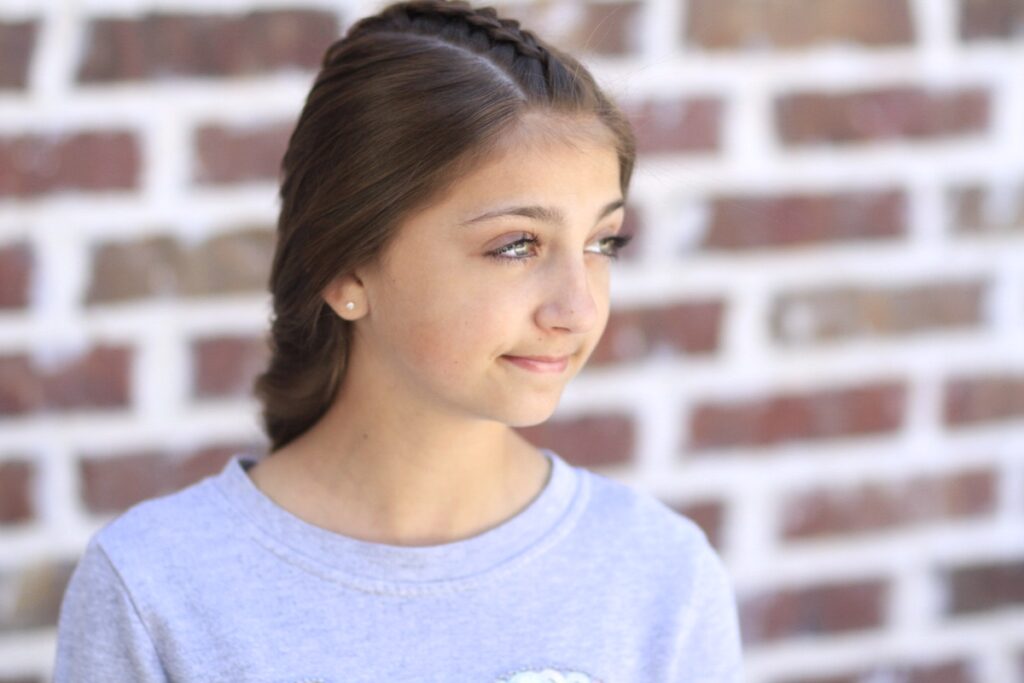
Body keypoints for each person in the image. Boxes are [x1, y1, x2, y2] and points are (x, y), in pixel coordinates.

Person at [52, 0, 744, 680]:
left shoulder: (660, 577)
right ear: (345, 268)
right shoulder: (154, 590)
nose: (578, 307)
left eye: (601, 242)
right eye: (516, 245)